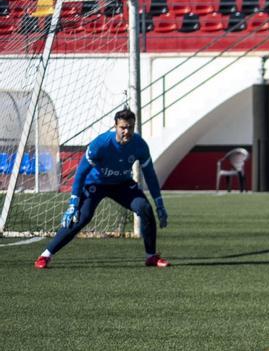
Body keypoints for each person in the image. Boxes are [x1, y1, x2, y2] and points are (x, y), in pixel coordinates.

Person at [34, 109, 169, 269]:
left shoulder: (139, 145)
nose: (127, 131)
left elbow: (150, 175)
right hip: (95, 184)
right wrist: (73, 203)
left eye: (130, 127)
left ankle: (151, 256)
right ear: (115, 126)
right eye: (123, 127)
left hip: (122, 184)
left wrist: (159, 203)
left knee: (145, 208)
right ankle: (45, 255)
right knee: (80, 217)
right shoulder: (101, 144)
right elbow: (81, 172)